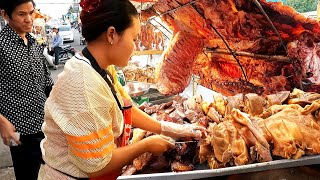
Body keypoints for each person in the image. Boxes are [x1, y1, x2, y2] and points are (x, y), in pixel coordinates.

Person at [38, 0, 204, 179]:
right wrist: (145, 145)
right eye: (133, 38)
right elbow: (97, 166)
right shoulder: (84, 85)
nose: (135, 46)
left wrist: (167, 128)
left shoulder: (100, 67)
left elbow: (125, 108)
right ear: (112, 34)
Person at [0, 0, 54, 180]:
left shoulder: (33, 42)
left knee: (48, 172)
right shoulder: (1, 46)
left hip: (45, 124)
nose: (29, 19)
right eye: (22, 14)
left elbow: (47, 82)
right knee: (27, 174)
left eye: (31, 12)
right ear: (5, 15)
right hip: (18, 129)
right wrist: (1, 121)